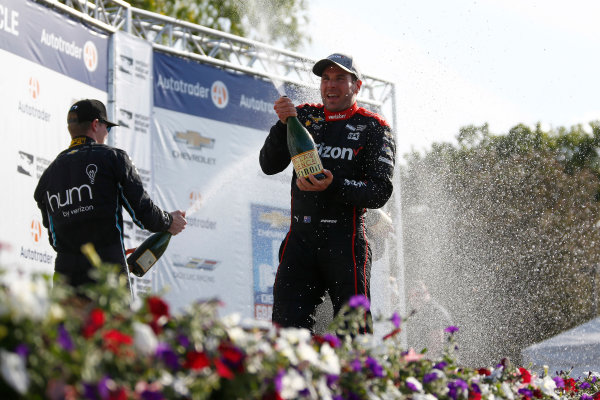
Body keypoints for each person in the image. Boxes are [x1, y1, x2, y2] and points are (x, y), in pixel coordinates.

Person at [259, 53, 396, 333]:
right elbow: (268, 165)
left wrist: (333, 186)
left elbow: (379, 192)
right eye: (325, 79)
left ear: (356, 86)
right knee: (285, 332)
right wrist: (282, 125)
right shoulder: (304, 116)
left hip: (345, 242)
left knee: (353, 332)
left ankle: (354, 377)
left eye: (340, 79)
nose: (330, 85)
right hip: (300, 241)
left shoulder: (374, 127)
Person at [34, 99, 187, 292]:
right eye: (107, 127)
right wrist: (168, 221)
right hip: (108, 275)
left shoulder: (47, 178)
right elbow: (144, 215)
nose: (107, 133)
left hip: (65, 281)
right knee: (113, 324)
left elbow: (55, 241)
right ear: (95, 124)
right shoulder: (113, 158)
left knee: (69, 324)